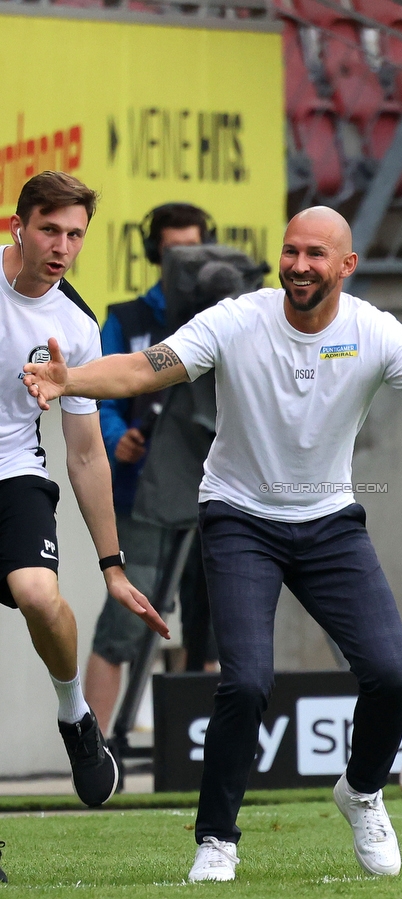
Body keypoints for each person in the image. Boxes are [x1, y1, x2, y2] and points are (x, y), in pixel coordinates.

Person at [24, 206, 402, 882]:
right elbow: (145, 368)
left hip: (329, 522)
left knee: (394, 674)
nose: (300, 265)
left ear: (347, 266)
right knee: (247, 681)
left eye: (317, 254)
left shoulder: (374, 332)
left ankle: (362, 791)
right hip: (238, 517)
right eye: (291, 251)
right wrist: (70, 379)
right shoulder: (238, 319)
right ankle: (216, 840)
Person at [0, 171, 168, 822]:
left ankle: (75, 712)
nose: (61, 247)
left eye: (75, 235)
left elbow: (85, 450)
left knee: (40, 595)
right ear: (18, 226)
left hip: (15, 471)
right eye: (49, 230)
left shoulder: (74, 325)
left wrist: (112, 565)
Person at [86, 203, 219, 736]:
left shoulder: (226, 316)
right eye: (171, 252)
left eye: (193, 250)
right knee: (121, 630)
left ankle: (212, 758)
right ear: (153, 254)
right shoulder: (129, 318)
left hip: (216, 495)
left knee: (213, 636)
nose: (183, 262)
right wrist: (119, 440)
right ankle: (92, 756)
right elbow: (97, 393)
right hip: (143, 501)